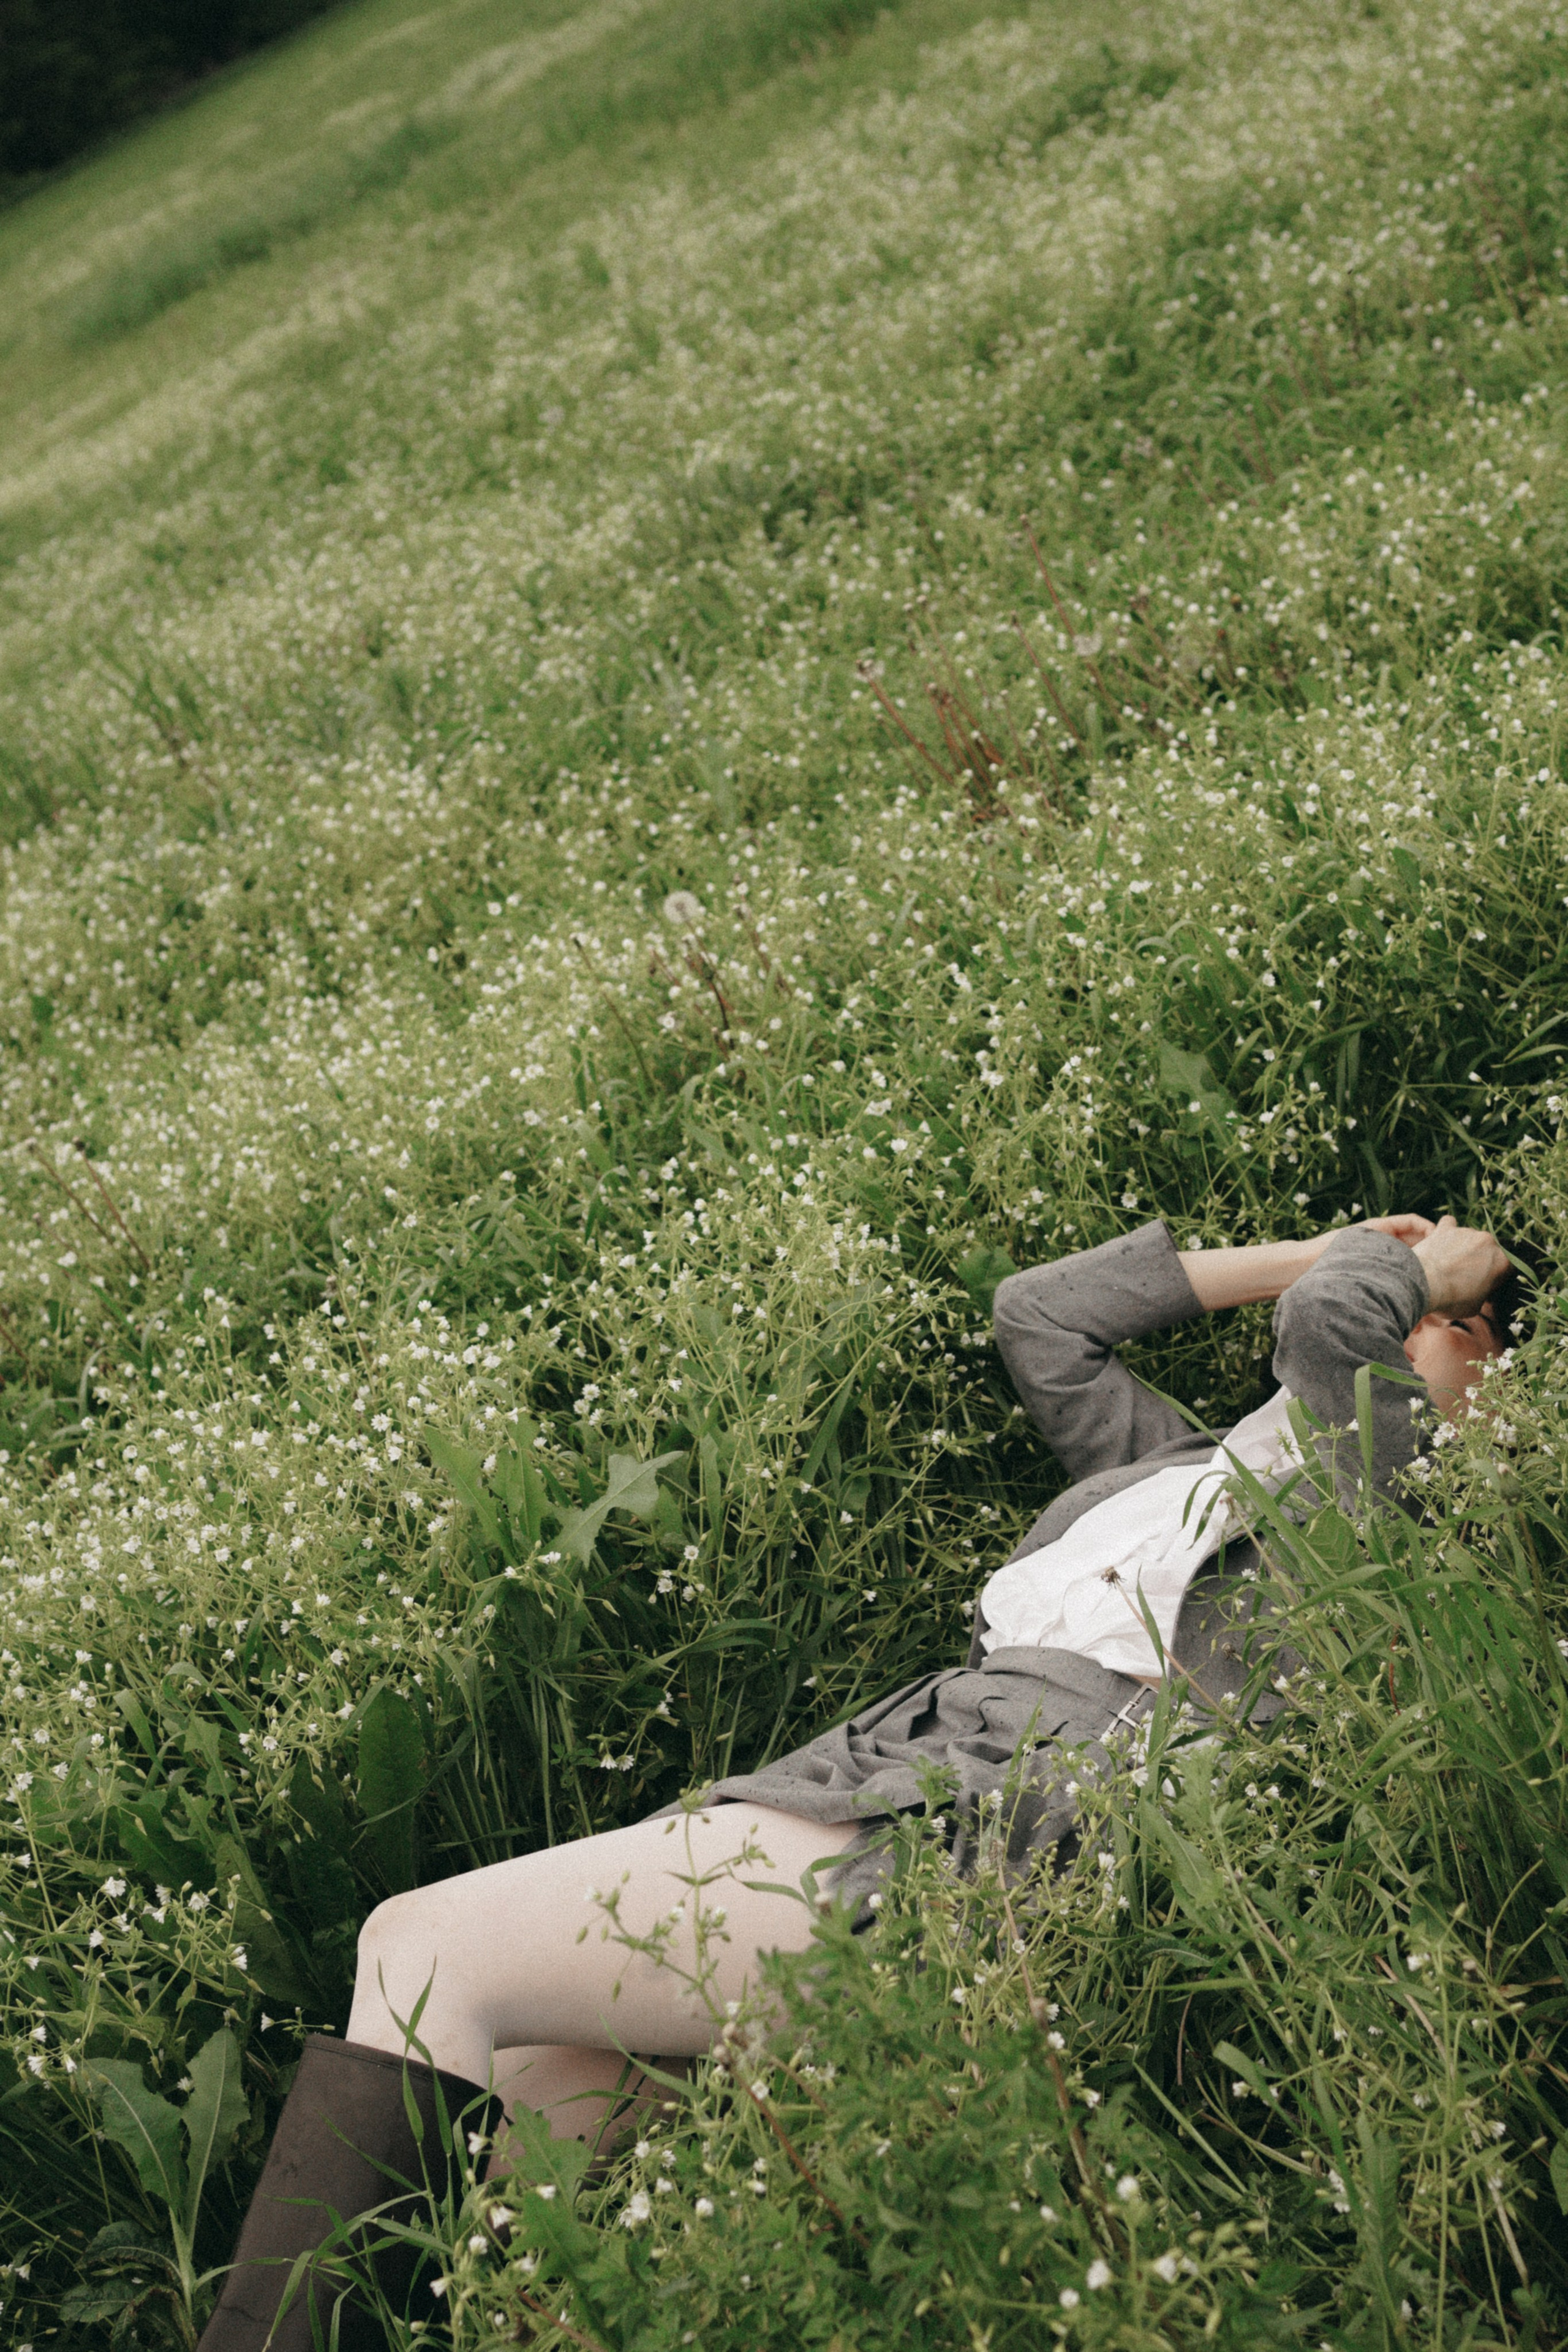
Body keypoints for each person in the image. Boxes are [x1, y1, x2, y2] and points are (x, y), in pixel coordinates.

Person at [198, 1210, 1512, 2350]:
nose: (1424, 1324)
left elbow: (1330, 1332)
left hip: (1012, 1818)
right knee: (519, 2169)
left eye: (1460, 1326)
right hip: (886, 1770)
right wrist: (1331, 1250)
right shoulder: (1173, 1463)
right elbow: (1040, 1316)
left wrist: (1397, 1273)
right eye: (1423, 1306)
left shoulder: (1390, 1512)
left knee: (425, 1950)